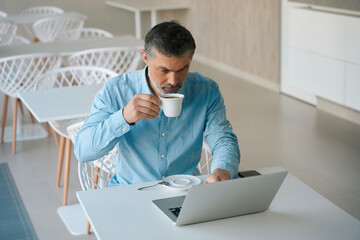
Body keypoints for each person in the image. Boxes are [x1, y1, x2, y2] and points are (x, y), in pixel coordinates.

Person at [74, 21, 240, 186]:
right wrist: (123, 117)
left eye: (182, 69)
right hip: (130, 191)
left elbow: (222, 139)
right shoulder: (116, 90)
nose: (173, 81)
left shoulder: (206, 90)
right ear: (145, 57)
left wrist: (222, 170)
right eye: (165, 70)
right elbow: (83, 151)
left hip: (186, 190)